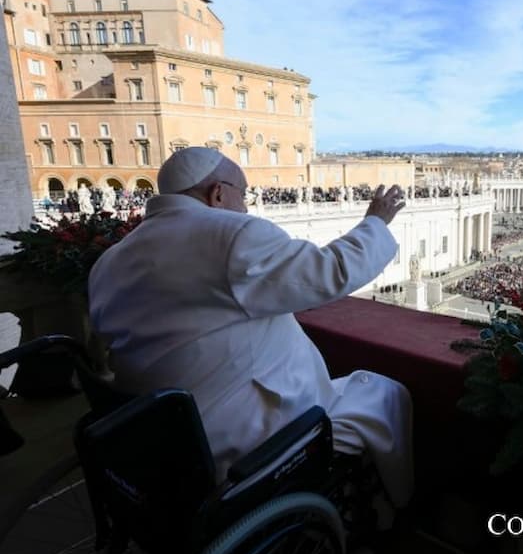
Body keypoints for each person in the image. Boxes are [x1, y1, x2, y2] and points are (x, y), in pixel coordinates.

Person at [88, 146, 413, 519]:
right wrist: (375, 222)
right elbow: (329, 273)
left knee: (355, 388)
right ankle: (398, 507)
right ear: (218, 193)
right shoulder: (231, 235)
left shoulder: (108, 260)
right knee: (385, 394)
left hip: (154, 437)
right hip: (241, 438)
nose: (246, 206)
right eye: (244, 193)